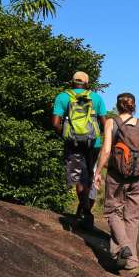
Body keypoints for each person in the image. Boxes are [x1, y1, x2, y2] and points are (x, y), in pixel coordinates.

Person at [94, 92, 139, 276]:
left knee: (112, 212)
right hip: (138, 177)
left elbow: (106, 150)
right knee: (132, 217)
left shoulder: (112, 122)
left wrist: (97, 172)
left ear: (118, 106)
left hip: (117, 176)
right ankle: (131, 262)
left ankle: (124, 248)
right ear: (134, 106)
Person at [52, 71, 106, 231]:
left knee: (79, 177)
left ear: (72, 82)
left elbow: (55, 123)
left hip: (73, 143)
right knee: (90, 175)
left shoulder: (62, 97)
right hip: (93, 143)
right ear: (87, 83)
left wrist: (68, 134)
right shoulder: (96, 98)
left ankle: (85, 211)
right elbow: (104, 122)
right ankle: (84, 210)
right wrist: (99, 136)